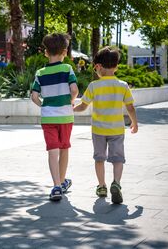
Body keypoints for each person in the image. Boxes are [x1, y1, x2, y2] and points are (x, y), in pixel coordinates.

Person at [74, 46, 138, 204]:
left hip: (98, 130)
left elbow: (83, 106)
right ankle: (116, 183)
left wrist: (71, 110)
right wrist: (134, 123)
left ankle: (102, 186)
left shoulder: (94, 86)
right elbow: (130, 107)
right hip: (116, 129)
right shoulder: (123, 85)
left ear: (98, 66)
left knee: (99, 159)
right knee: (118, 159)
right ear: (116, 66)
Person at [31, 33, 79, 201]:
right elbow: (74, 90)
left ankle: (57, 186)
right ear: (65, 52)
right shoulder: (67, 69)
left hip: (48, 119)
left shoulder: (40, 72)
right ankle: (62, 182)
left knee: (53, 151)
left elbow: (34, 97)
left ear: (46, 52)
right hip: (66, 117)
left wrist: (44, 105)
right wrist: (70, 102)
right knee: (65, 148)